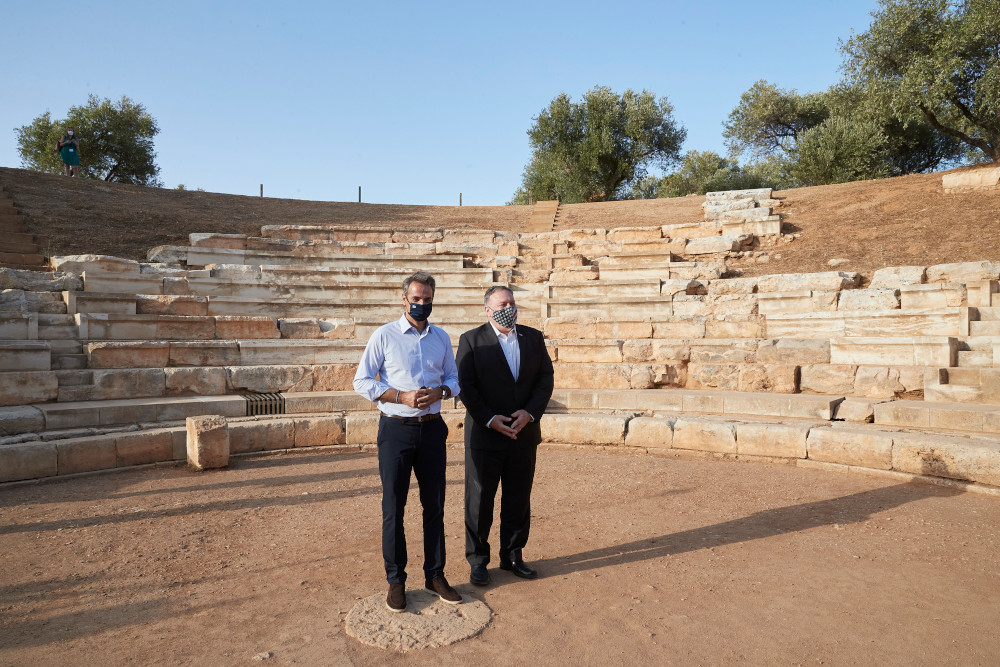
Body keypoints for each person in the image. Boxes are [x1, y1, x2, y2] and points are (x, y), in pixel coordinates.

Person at [353, 271, 462, 613]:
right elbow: (362, 381)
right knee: (393, 508)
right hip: (396, 429)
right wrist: (401, 395)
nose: (421, 305)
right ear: (404, 299)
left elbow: (454, 379)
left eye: (427, 300)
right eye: (415, 299)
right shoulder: (384, 336)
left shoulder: (441, 338)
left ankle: (435, 575)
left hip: (432, 429)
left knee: (435, 505)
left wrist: (441, 391)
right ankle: (395, 580)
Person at [456, 285, 554, 586]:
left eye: (512, 302)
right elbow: (466, 385)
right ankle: (478, 561)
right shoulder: (471, 340)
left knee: (518, 497)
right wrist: (489, 419)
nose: (508, 307)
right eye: (502, 303)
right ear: (488, 310)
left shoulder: (533, 338)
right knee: (480, 499)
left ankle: (513, 555)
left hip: (522, 433)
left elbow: (545, 379)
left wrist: (530, 413)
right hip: (486, 435)